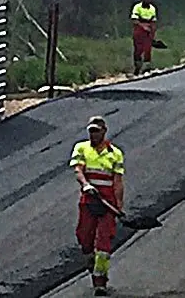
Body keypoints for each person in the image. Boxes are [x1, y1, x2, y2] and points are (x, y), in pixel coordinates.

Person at [69, 116, 125, 297]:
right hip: (89, 201)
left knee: (103, 243)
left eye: (96, 131)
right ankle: (89, 258)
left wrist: (119, 206)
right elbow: (78, 170)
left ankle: (100, 282)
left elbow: (117, 181)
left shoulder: (115, 153)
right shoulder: (82, 148)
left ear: (104, 131)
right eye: (90, 131)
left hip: (108, 204)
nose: (93, 134)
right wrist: (85, 184)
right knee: (84, 235)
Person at [131, 0, 157, 75]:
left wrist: (153, 32)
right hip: (139, 29)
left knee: (147, 49)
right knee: (138, 49)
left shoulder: (152, 8)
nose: (146, 0)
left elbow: (153, 21)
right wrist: (143, 26)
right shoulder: (137, 7)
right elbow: (134, 20)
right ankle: (137, 66)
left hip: (148, 30)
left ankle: (147, 68)